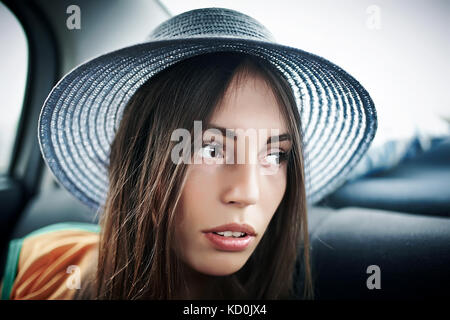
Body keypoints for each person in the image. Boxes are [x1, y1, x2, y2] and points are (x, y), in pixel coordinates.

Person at [1, 7, 377, 300]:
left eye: (274, 156)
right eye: (211, 149)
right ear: (139, 158)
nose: (247, 192)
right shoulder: (44, 259)